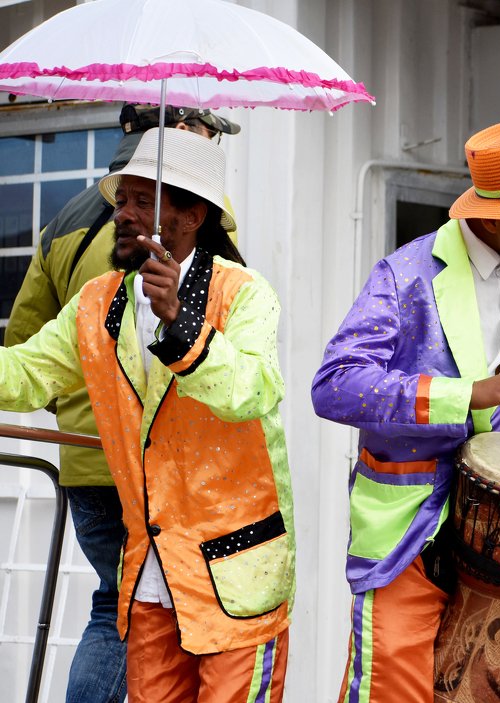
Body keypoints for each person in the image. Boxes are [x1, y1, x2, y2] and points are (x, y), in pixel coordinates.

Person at [312, 117, 500, 702]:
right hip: (409, 534)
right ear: (492, 218)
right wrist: (465, 394)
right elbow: (335, 386)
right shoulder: (404, 276)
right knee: (392, 691)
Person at [0, 127, 294, 702]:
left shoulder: (244, 293)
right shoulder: (97, 301)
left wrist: (181, 324)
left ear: (193, 216)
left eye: (143, 201)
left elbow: (255, 391)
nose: (123, 214)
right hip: (151, 570)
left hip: (235, 569)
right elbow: (26, 373)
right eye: (121, 200)